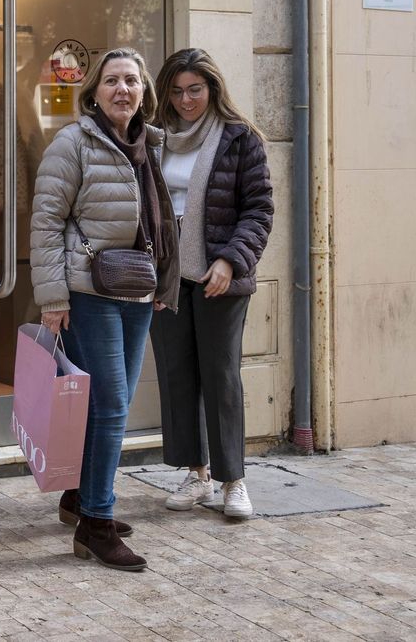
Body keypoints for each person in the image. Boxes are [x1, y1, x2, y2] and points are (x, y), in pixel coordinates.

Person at [31, 48, 175, 572]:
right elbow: (46, 221)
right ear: (93, 91)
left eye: (131, 81)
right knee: (112, 407)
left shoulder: (148, 144)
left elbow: (160, 224)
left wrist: (165, 279)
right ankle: (96, 521)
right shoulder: (73, 143)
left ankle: (76, 496)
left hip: (137, 289)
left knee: (109, 405)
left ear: (143, 92)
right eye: (112, 81)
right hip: (89, 293)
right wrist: (52, 298)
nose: (122, 90)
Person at [149, 48, 274, 520]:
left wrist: (229, 261)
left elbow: (259, 209)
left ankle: (233, 480)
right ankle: (196, 473)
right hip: (167, 277)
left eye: (195, 90)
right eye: (177, 91)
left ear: (213, 89)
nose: (186, 100)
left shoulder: (240, 139)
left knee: (220, 375)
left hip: (219, 275)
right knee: (176, 374)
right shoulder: (154, 139)